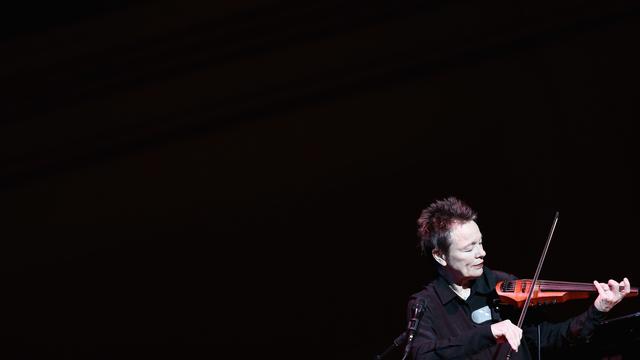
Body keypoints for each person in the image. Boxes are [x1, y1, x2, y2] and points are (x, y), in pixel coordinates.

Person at [407, 196, 631, 359]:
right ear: (440, 256)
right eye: (469, 249)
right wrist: (489, 332)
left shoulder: (501, 285)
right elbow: (422, 355)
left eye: (480, 242)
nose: (481, 253)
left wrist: (598, 310)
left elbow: (551, 338)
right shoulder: (426, 304)